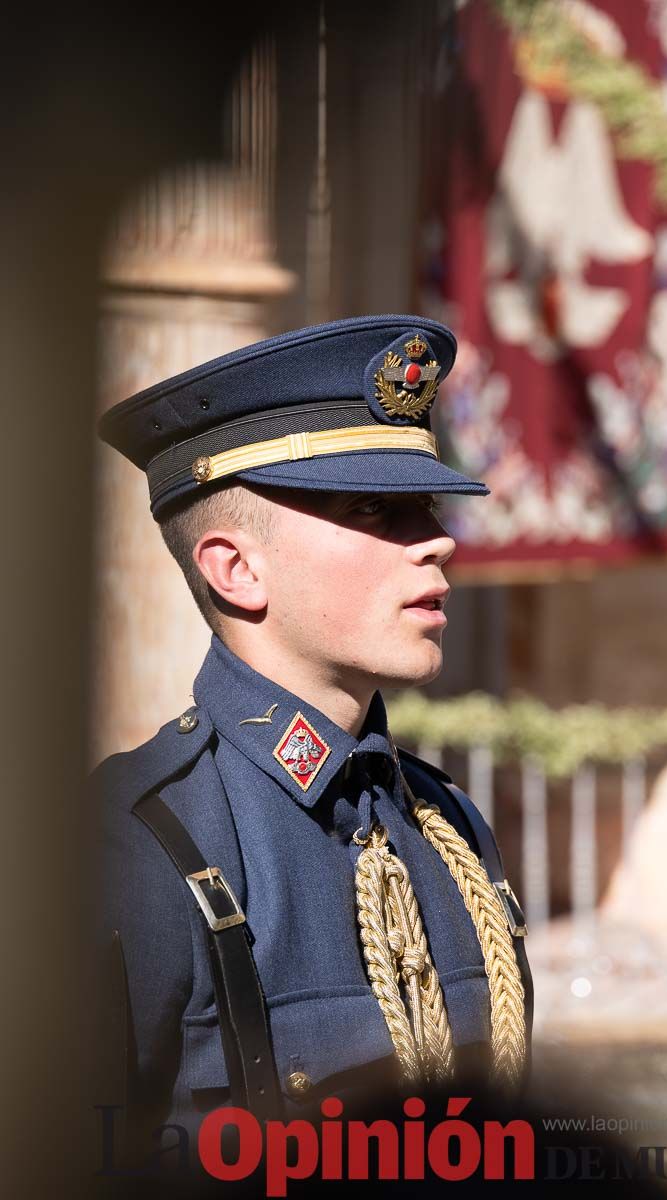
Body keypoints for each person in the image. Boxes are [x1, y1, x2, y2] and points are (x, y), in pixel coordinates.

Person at [92, 314, 532, 1141]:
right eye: (375, 509)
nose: (436, 541)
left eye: (428, 506)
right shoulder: (136, 845)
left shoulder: (447, 826)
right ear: (237, 568)